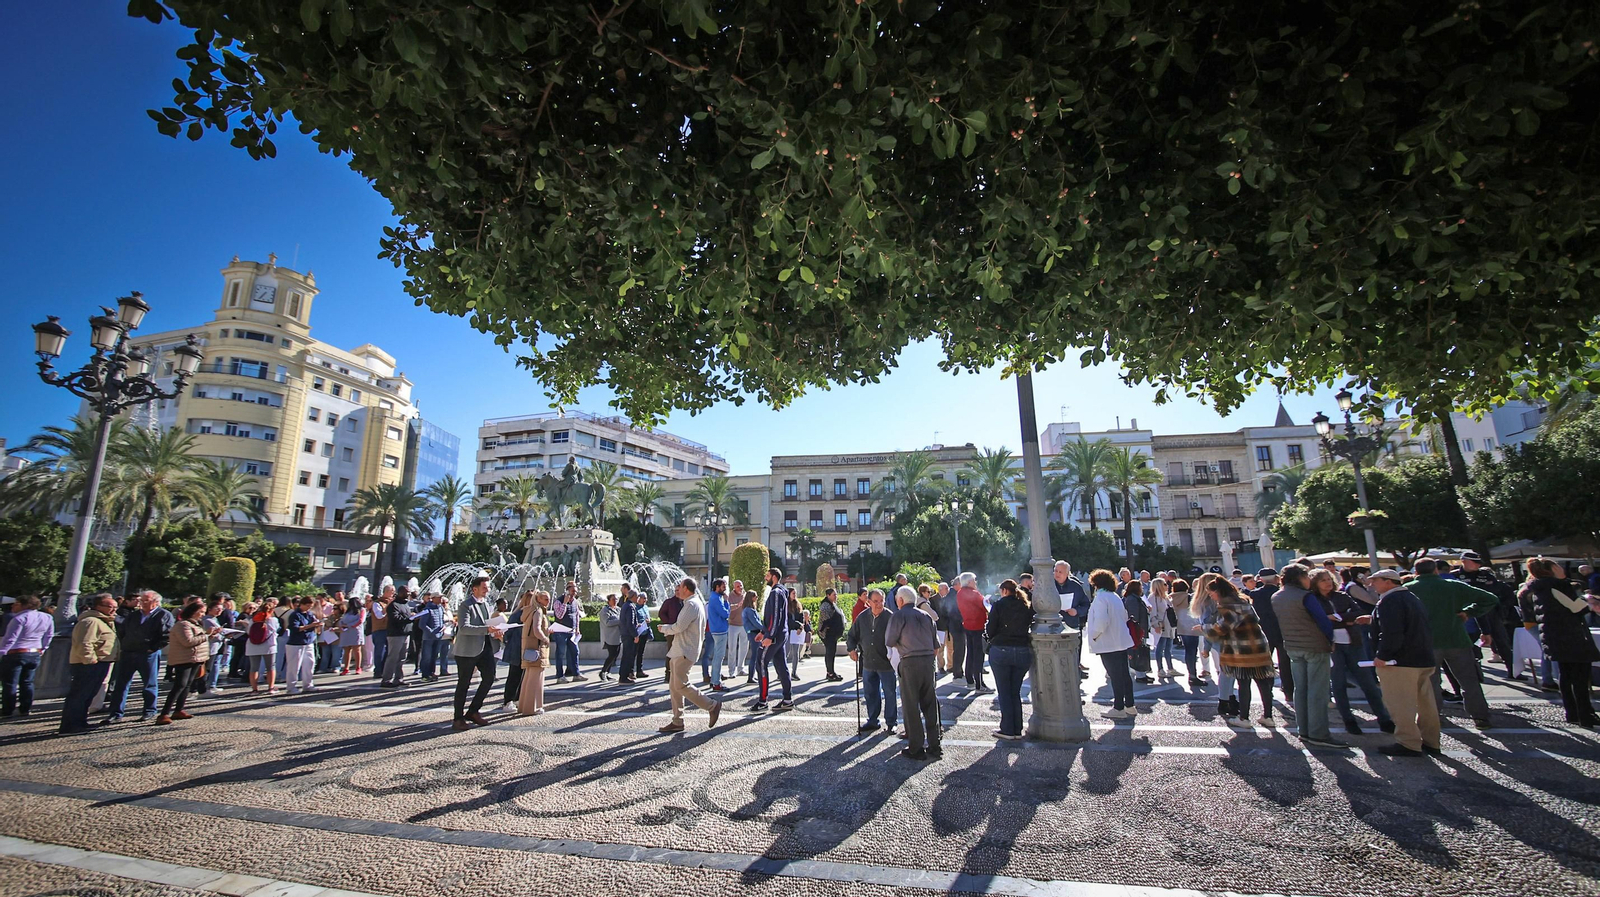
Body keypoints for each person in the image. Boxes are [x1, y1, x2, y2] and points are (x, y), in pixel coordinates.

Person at [1407, 558, 1496, 728]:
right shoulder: (1453, 586)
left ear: (1416, 572)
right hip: (1456, 638)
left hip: (1426, 642)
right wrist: (1469, 612)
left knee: (1430, 683)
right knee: (1469, 681)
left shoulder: (1408, 589)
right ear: (1435, 570)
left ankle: (1433, 717)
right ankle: (1480, 717)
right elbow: (1490, 598)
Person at [1308, 570, 1393, 735]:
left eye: (1329, 579)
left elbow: (1358, 612)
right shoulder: (1313, 599)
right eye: (1323, 580)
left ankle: (1384, 718)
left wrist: (1337, 617)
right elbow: (1317, 621)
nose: (1327, 583)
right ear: (1315, 583)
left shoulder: (1342, 596)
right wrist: (1341, 619)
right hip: (1332, 645)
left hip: (1354, 642)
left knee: (1368, 683)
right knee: (1338, 685)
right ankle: (1349, 720)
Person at [1366, 569, 1441, 756]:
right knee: (1426, 704)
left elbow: (1392, 632)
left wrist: (1382, 655)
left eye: (1375, 581)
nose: (1372, 584)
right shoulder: (1411, 598)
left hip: (1399, 661)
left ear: (1389, 582)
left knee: (1400, 704)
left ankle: (1408, 742)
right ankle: (1432, 741)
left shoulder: (1390, 601)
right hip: (1422, 657)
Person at [1271, 564, 1346, 749]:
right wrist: (1330, 640)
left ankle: (1304, 730)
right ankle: (1319, 733)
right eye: (1306, 577)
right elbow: (1322, 620)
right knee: (1317, 692)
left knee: (1301, 690)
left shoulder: (1277, 596)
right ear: (1300, 578)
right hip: (1314, 644)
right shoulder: (1305, 596)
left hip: (1293, 645)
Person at [1523, 558, 1600, 726]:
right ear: (1551, 570)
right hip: (1570, 635)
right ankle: (1585, 714)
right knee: (1580, 676)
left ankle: (1572, 713)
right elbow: (1574, 607)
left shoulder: (1539, 587)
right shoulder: (1557, 585)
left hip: (1554, 635)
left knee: (1566, 676)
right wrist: (1589, 599)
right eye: (1557, 566)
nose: (1561, 568)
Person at [1202, 578, 1277, 728]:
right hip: (1258, 645)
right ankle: (1268, 716)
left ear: (1218, 592)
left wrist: (1204, 629)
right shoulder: (1244, 601)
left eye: (1211, 594)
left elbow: (1223, 628)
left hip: (1241, 648)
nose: (1211, 597)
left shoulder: (1227, 605)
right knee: (1263, 681)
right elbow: (1256, 619)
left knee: (1244, 682)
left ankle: (1244, 718)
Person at [656, 578, 723, 733]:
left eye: (679, 587)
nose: (677, 590)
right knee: (674, 687)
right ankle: (677, 721)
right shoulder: (693, 603)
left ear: (686, 588)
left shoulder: (691, 604)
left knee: (681, 685)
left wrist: (664, 628)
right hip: (680, 650)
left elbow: (679, 627)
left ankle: (712, 705)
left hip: (684, 651)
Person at [887, 584, 941, 760]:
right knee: (930, 704)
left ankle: (916, 748)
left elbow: (889, 640)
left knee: (911, 705)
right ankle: (935, 745)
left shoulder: (898, 615)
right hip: (928, 662)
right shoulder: (926, 616)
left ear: (901, 600)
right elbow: (935, 647)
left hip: (909, 662)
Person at [103, 590, 174, 723]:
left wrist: (152, 648)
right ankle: (116, 713)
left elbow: (167, 635)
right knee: (121, 684)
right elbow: (123, 630)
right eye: (141, 600)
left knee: (149, 684)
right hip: (129, 652)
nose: (141, 603)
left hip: (148, 654)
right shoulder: (134, 615)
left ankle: (149, 710)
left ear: (156, 602)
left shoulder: (164, 615)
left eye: (145, 600)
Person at [61, 593, 119, 735]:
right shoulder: (91, 621)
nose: (114, 610)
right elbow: (84, 642)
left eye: (115, 607)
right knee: (79, 695)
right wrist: (90, 660)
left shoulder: (104, 621)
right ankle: (70, 725)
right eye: (110, 607)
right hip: (88, 664)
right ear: (98, 606)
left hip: (101, 662)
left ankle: (80, 722)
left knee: (88, 695)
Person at [451, 576, 503, 730]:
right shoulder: (465, 605)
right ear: (475, 589)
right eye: (484, 587)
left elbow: (487, 625)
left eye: (487, 587)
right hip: (467, 650)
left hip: (485, 648)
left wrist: (495, 631)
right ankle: (458, 718)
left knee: (489, 678)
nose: (487, 590)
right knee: (463, 684)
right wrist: (486, 630)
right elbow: (464, 628)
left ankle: (473, 711)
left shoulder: (486, 604)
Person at [1456, 550, 1519, 677]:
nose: (1477, 565)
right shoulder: (1455, 576)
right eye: (1474, 562)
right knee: (1471, 644)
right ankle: (1475, 673)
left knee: (1502, 642)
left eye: (1479, 563)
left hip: (1489, 613)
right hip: (1467, 614)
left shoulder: (1486, 575)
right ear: (1464, 561)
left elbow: (1494, 591)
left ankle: (1513, 671)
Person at [985, 579, 1033, 740]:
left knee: (1004, 691)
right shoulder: (1025, 605)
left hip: (1002, 649)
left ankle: (1007, 729)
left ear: (1004, 590)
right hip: (1022, 650)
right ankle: (1017, 728)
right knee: (1015, 691)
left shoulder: (999, 605)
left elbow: (991, 629)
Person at [1086, 569, 1135, 719]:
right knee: (1124, 674)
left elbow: (1101, 621)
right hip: (1120, 640)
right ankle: (1129, 705)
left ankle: (1118, 707)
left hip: (1108, 642)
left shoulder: (1100, 598)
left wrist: (1094, 635)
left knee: (1115, 675)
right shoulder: (1114, 596)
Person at [847, 589, 897, 733]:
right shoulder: (862, 617)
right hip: (868, 662)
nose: (879, 604)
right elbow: (852, 635)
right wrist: (851, 649)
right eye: (876, 601)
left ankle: (891, 722)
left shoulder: (890, 617)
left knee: (890, 693)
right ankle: (873, 720)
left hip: (886, 663)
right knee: (870, 693)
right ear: (868, 602)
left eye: (881, 601)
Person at [155, 601, 211, 725]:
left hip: (195, 658)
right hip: (184, 659)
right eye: (201, 612)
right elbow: (188, 642)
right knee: (179, 685)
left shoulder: (195, 624)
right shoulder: (183, 625)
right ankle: (164, 713)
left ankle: (178, 710)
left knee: (187, 685)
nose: (203, 614)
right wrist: (207, 635)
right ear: (193, 611)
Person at [1246, 568, 1292, 712]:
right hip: (1283, 630)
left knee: (1267, 663)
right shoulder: (1282, 593)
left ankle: (1268, 690)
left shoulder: (1255, 594)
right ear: (1276, 578)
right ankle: (1289, 691)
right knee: (1285, 663)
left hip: (1264, 631)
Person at [0, 595, 52, 718]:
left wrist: (2, 652)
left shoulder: (19, 618)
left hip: (16, 652)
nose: (13, 606)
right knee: (27, 682)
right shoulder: (47, 617)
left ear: (25, 605)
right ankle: (25, 708)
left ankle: (8, 710)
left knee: (10, 683)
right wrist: (43, 648)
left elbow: (11, 638)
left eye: (16, 603)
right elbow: (49, 635)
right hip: (34, 652)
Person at [751, 568, 794, 712]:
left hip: (775, 636)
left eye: (768, 575)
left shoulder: (776, 592)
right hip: (779, 634)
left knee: (761, 663)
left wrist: (769, 636)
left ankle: (763, 702)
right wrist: (764, 632)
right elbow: (775, 617)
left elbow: (775, 616)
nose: (765, 578)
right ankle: (787, 699)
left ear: (774, 577)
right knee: (781, 665)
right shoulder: (781, 592)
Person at [518, 590, 551, 716]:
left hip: (529, 648)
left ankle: (524, 706)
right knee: (536, 679)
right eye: (545, 599)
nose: (548, 602)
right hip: (537, 648)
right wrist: (545, 638)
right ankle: (533, 708)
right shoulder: (538, 611)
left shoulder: (529, 610)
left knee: (528, 678)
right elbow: (537, 630)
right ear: (538, 600)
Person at [955, 572, 989, 692]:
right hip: (978, 625)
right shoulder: (974, 593)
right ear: (969, 581)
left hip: (968, 625)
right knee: (979, 655)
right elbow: (985, 606)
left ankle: (970, 680)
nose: (975, 582)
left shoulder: (960, 593)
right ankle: (980, 684)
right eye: (974, 580)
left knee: (970, 653)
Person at [284, 597, 320, 695]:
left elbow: (313, 624)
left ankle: (308, 684)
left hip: (308, 642)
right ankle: (291, 687)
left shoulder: (310, 614)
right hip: (295, 643)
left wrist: (317, 625)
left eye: (311, 606)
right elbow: (295, 628)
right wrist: (311, 625)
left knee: (310, 663)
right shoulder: (295, 615)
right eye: (307, 606)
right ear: (302, 604)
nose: (309, 608)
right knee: (294, 666)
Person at [1169, 579, 1203, 686]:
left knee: (1188, 651)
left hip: (1181, 627)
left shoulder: (1171, 598)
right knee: (1193, 651)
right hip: (1192, 626)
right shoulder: (1189, 597)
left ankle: (1191, 675)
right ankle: (1193, 675)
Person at [379, 588, 413, 688]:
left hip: (405, 633)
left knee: (402, 658)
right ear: (401, 593)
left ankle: (398, 678)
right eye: (407, 592)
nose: (408, 594)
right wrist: (410, 618)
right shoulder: (393, 605)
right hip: (395, 634)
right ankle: (386, 679)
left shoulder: (405, 604)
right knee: (392, 657)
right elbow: (395, 618)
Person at [244, 604, 281, 695]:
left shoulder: (253, 620)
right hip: (269, 646)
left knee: (254, 668)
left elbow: (248, 631)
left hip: (253, 645)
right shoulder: (273, 620)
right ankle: (271, 688)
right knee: (271, 667)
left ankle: (254, 689)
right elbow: (276, 630)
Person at [549, 584, 581, 683]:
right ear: (567, 591)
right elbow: (559, 616)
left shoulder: (575, 602)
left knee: (575, 652)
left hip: (571, 632)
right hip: (560, 632)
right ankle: (560, 676)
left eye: (575, 592)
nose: (574, 594)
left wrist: (577, 628)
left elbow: (576, 615)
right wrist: (565, 603)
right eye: (572, 591)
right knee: (560, 653)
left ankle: (576, 674)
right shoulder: (559, 601)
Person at [703, 579, 731, 691]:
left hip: (716, 629)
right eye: (723, 586)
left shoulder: (714, 597)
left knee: (716, 657)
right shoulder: (717, 599)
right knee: (718, 657)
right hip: (720, 630)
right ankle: (716, 683)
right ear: (717, 587)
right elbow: (725, 614)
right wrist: (726, 602)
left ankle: (714, 680)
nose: (725, 588)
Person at [1146, 579, 1177, 681]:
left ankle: (1170, 668)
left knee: (1169, 647)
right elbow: (1152, 612)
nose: (1166, 585)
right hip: (1161, 625)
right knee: (1160, 647)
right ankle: (1160, 669)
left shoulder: (1166, 597)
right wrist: (1156, 624)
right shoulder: (1153, 598)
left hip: (1169, 625)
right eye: (1164, 584)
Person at [500, 592, 528, 705]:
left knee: (523, 676)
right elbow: (508, 633)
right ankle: (508, 700)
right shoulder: (517, 615)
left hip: (525, 650)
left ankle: (517, 698)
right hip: (517, 649)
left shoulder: (532, 613)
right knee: (514, 675)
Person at [1123, 581, 1153, 684]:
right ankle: (1140, 675)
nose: (1142, 589)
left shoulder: (1135, 598)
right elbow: (1133, 616)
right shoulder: (1132, 599)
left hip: (1139, 629)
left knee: (1141, 651)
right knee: (1138, 652)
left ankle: (1142, 673)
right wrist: (1138, 629)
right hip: (1137, 630)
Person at [618, 589, 651, 684]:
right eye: (637, 597)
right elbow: (630, 623)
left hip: (625, 634)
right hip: (628, 636)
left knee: (627, 656)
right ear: (633, 597)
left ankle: (624, 676)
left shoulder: (626, 605)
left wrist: (637, 625)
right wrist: (636, 635)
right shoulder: (630, 607)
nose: (638, 598)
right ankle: (623, 677)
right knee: (628, 656)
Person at [414, 592, 447, 682]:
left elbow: (441, 620)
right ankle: (425, 675)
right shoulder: (427, 609)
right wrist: (431, 631)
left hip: (438, 637)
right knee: (427, 657)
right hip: (428, 638)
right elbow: (422, 624)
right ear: (433, 598)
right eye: (439, 597)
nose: (441, 599)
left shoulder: (440, 608)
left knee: (434, 656)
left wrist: (443, 626)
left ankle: (431, 673)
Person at [817, 588, 846, 682]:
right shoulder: (825, 606)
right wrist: (829, 627)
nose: (836, 596)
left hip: (833, 634)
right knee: (830, 653)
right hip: (828, 634)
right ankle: (830, 673)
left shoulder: (832, 604)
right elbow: (825, 621)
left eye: (836, 594)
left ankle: (830, 671)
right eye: (834, 595)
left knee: (831, 653)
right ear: (828, 595)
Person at [938, 580, 965, 677]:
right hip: (955, 625)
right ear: (957, 585)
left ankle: (955, 669)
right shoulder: (955, 596)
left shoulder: (950, 596)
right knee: (958, 650)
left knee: (955, 649)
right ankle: (957, 671)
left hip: (951, 625)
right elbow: (952, 612)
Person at [724, 581, 749, 678]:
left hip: (744, 625)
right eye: (738, 586)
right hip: (733, 625)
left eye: (741, 586)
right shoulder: (730, 596)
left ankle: (741, 669)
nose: (740, 588)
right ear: (734, 587)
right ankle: (731, 671)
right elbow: (728, 609)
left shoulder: (745, 595)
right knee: (732, 648)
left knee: (744, 647)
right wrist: (738, 605)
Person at [369, 585, 393, 678]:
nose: (393, 593)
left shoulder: (390, 602)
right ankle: (378, 671)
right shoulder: (377, 603)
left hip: (389, 629)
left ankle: (385, 670)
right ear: (386, 592)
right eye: (392, 591)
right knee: (380, 651)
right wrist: (387, 607)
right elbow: (379, 616)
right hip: (379, 630)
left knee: (388, 651)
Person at [740, 590, 763, 684]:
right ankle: (751, 677)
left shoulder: (748, 609)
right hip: (754, 633)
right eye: (755, 596)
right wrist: (765, 629)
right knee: (755, 655)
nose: (757, 598)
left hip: (753, 632)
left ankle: (752, 676)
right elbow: (756, 623)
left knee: (756, 655)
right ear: (751, 598)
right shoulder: (749, 610)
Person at [599, 594, 622, 681]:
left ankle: (607, 673)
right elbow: (607, 622)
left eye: (616, 599)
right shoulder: (605, 610)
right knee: (611, 655)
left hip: (618, 637)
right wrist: (620, 621)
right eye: (613, 599)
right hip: (610, 637)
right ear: (608, 601)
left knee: (615, 656)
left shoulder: (618, 609)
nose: (615, 601)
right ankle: (603, 672)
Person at [338, 598, 365, 674]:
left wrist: (349, 625)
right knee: (347, 650)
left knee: (356, 650)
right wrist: (341, 625)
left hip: (355, 631)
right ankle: (346, 668)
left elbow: (360, 620)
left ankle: (358, 667)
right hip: (346, 632)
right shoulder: (348, 611)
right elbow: (342, 619)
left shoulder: (361, 610)